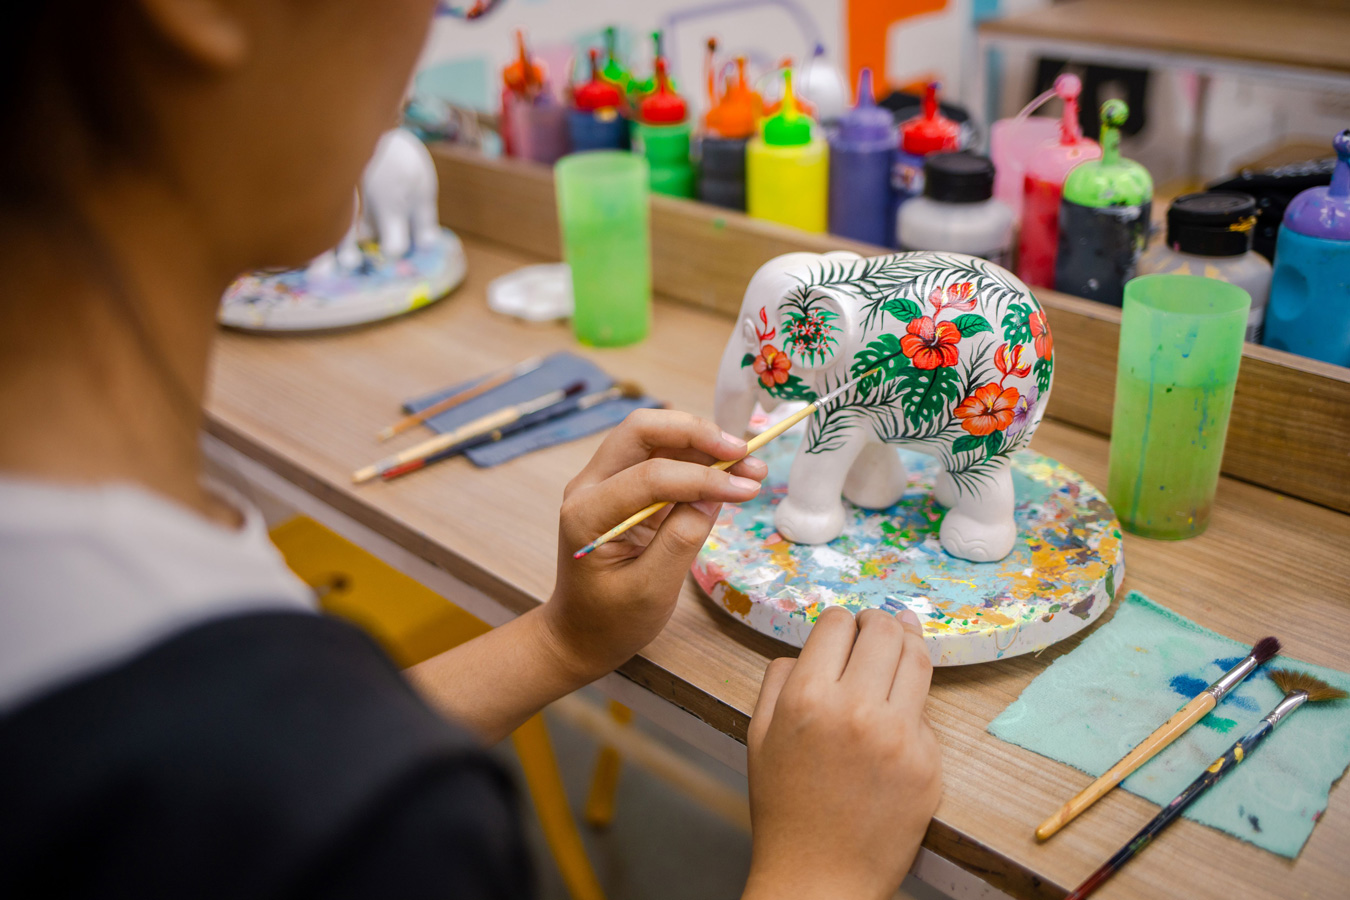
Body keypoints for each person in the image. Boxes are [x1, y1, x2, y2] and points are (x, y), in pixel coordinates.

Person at [0, 2, 942, 899]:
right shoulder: (341, 829)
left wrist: (557, 640)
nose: (429, 29)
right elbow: (297, 778)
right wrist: (817, 875)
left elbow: (301, 748)